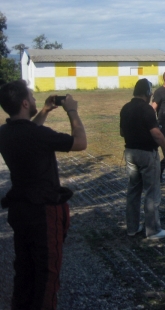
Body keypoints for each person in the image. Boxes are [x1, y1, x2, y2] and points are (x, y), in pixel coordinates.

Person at [0, 80, 87, 309]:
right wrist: (72, 111)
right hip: (43, 214)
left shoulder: (5, 133)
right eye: (32, 96)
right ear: (25, 102)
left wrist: (45, 111)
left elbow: (28, 131)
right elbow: (80, 142)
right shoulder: (39, 136)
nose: (36, 100)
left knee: (25, 271)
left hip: (20, 210)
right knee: (47, 275)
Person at [120, 78, 165, 240]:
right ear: (147, 93)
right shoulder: (147, 109)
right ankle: (153, 230)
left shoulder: (125, 108)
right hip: (147, 154)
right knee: (152, 192)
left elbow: (122, 132)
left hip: (130, 153)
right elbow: (156, 133)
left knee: (133, 191)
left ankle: (132, 227)